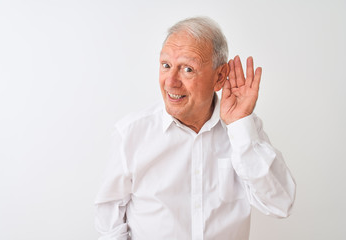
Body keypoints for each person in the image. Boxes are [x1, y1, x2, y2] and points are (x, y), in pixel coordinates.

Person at [95, 16, 296, 240]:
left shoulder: (243, 130)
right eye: (166, 66)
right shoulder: (130, 134)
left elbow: (280, 205)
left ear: (219, 77)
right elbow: (109, 222)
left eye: (187, 69)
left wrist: (240, 126)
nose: (170, 81)